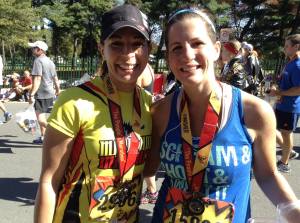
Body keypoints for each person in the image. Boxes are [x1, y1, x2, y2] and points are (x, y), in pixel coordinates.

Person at [144, 6, 300, 223]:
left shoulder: (254, 112)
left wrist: (293, 210)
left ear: (216, 49)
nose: (187, 55)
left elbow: (268, 175)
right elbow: (144, 169)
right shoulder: (161, 111)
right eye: (176, 48)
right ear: (169, 57)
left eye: (197, 43)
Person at [34, 4, 152, 223]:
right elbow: (49, 181)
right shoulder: (74, 101)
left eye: (137, 44)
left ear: (148, 49)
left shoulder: (149, 105)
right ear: (101, 48)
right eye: (116, 44)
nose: (128, 54)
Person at [270, 34, 300, 173]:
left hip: (290, 107)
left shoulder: (298, 65)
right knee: (275, 129)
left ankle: (284, 163)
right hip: (282, 104)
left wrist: (280, 93)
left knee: (286, 134)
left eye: (287, 46)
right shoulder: (290, 62)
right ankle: (290, 153)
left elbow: (298, 89)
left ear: (296, 46)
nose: (284, 48)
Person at [28, 40, 60, 144]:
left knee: (40, 119)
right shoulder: (50, 61)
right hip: (50, 92)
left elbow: (37, 79)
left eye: (34, 48)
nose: (32, 50)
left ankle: (58, 133)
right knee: (42, 115)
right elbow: (55, 78)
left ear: (40, 50)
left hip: (41, 93)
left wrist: (31, 94)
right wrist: (58, 90)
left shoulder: (38, 61)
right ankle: (43, 137)